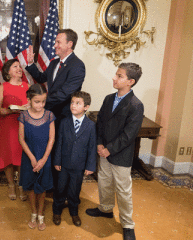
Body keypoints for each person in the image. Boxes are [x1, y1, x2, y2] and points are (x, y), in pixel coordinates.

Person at [86, 63, 144, 240]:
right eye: (116, 75)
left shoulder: (136, 105)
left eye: (119, 76)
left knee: (123, 191)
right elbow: (101, 122)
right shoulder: (108, 99)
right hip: (104, 151)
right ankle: (105, 209)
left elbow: (129, 135)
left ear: (130, 81)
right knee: (104, 182)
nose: (114, 78)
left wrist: (109, 149)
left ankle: (127, 224)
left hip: (120, 155)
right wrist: (99, 144)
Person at [52, 91, 97, 227]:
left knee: (74, 190)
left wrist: (90, 166)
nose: (73, 106)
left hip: (79, 166)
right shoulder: (64, 122)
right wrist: (57, 160)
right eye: (72, 102)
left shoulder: (91, 126)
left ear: (86, 107)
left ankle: (74, 211)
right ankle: (57, 211)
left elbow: (92, 147)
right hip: (64, 164)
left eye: (78, 103)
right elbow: (59, 142)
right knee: (60, 188)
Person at [26, 29, 85, 129]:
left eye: (58, 42)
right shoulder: (54, 63)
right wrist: (31, 63)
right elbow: (41, 78)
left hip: (64, 117)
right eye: (55, 42)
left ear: (69, 44)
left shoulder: (77, 66)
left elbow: (64, 94)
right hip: (50, 115)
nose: (54, 45)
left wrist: (40, 102)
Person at [18, 84, 56, 231]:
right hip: (29, 157)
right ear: (29, 100)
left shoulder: (49, 115)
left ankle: (41, 214)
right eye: (37, 102)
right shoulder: (23, 116)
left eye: (43, 101)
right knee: (31, 187)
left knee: (42, 187)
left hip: (44, 157)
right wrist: (33, 159)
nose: (41, 105)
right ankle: (33, 212)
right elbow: (21, 139)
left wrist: (44, 159)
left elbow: (51, 139)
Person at [0, 59, 29, 201]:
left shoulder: (27, 86)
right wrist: (9, 111)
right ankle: (11, 185)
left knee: (21, 156)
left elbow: (33, 104)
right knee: (8, 155)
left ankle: (21, 185)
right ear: (8, 72)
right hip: (7, 125)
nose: (19, 68)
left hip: (23, 125)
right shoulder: (2, 88)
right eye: (15, 67)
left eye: (20, 66)